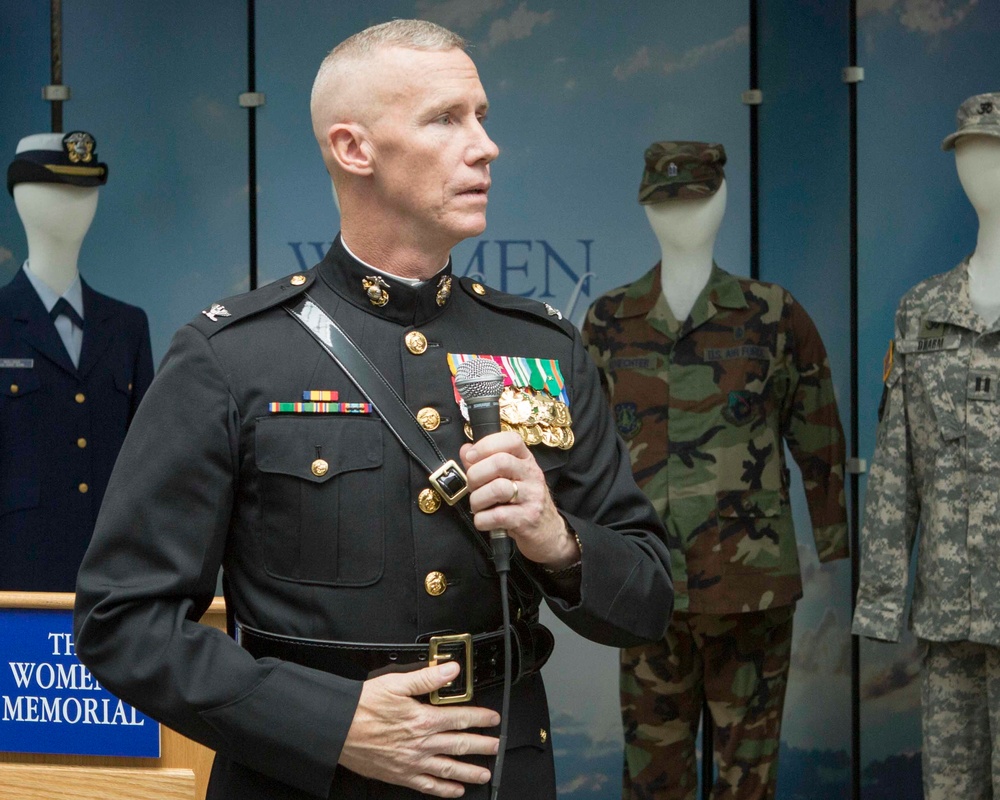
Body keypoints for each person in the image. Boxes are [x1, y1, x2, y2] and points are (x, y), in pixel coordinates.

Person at [73, 19, 673, 800]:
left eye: (483, 116)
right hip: (301, 780)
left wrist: (556, 541)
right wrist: (330, 724)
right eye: (445, 119)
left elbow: (651, 603)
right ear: (353, 149)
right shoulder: (230, 358)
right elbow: (120, 622)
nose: (485, 145)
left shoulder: (543, 346)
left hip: (503, 774)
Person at [583, 142, 848, 800]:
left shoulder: (773, 317)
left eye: (696, 198)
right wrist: (580, 558)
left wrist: (834, 534)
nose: (681, 216)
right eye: (666, 201)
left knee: (747, 780)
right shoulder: (610, 323)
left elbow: (818, 433)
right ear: (646, 210)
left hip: (749, 590)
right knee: (652, 776)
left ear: (723, 199)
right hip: (645, 590)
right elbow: (577, 452)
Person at [853, 92, 1000, 800]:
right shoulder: (923, 310)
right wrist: (881, 596)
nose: (980, 168)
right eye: (970, 151)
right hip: (951, 617)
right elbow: (894, 468)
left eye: (994, 150)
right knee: (951, 789)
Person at [1, 131, 152, 591]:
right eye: (59, 190)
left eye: (85, 191)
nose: (77, 204)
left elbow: (145, 461)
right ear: (24, 199)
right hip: (16, 575)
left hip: (112, 578)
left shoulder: (127, 325)